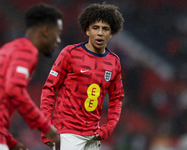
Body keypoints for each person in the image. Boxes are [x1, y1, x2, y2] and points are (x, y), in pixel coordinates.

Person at [41, 2, 125, 150]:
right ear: (87, 30)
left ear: (112, 33)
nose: (100, 33)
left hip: (93, 135)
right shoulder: (70, 53)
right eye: (95, 28)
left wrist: (109, 127)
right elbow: (49, 89)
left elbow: (116, 98)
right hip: (67, 132)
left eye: (105, 29)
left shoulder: (114, 62)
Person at [0, 3, 63, 150]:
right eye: (57, 33)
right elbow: (15, 90)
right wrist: (46, 128)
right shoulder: (26, 51)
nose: (58, 40)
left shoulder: (8, 49)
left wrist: (12, 144)